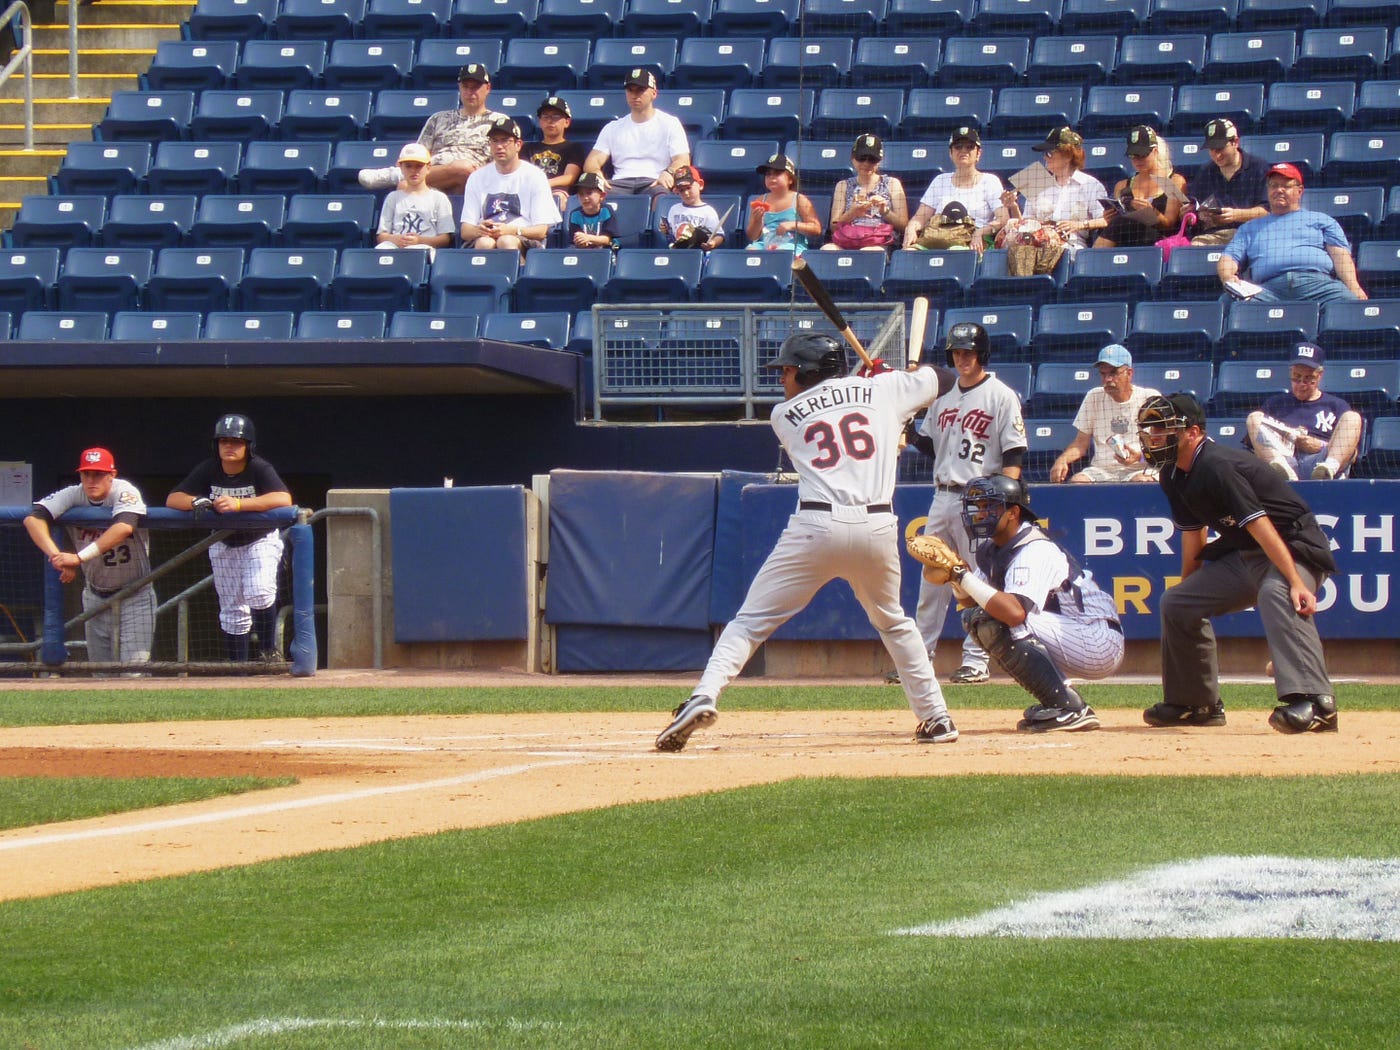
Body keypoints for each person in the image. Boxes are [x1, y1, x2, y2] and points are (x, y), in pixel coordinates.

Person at [655, 333, 960, 752]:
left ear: (809, 371)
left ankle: (703, 696)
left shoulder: (784, 414)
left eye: (788, 370)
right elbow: (944, 377)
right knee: (894, 622)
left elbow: (845, 409)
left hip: (816, 526)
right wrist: (894, 379)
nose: (783, 379)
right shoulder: (882, 390)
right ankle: (936, 717)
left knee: (748, 622)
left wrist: (887, 387)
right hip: (877, 528)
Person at [1136, 393, 1339, 734]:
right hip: (1246, 554)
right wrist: (1189, 585)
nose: (1154, 437)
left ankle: (1317, 703)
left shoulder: (1217, 465)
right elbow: (1193, 536)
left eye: (1164, 429)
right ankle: (1196, 704)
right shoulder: (1171, 474)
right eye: (1150, 430)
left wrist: (1297, 581)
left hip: (1293, 545)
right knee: (1177, 602)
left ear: (1193, 432)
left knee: (1278, 592)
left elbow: (1262, 526)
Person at [905, 322, 1028, 685]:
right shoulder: (942, 396)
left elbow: (1014, 452)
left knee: (976, 581)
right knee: (932, 582)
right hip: (941, 496)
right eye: (957, 352)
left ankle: (976, 660)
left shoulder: (1000, 395)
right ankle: (920, 662)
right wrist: (909, 427)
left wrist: (1006, 502)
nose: (962, 358)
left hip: (980, 499)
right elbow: (930, 445)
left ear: (982, 355)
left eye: (968, 352)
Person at [952, 474, 1122, 732]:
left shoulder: (1032, 547)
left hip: (1096, 638)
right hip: (1070, 632)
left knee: (997, 618)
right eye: (980, 507)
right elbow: (969, 600)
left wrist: (962, 576)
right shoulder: (994, 547)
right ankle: (1058, 703)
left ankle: (1070, 708)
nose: (981, 514)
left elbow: (1014, 613)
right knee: (976, 616)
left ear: (1013, 513)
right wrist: (953, 577)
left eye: (991, 507)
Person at [166, 415, 293, 663]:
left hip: (260, 539)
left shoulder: (259, 468)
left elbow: (283, 499)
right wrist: (196, 501)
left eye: (236, 441)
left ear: (248, 445)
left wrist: (239, 503)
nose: (229, 446)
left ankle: (268, 650)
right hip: (224, 543)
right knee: (233, 612)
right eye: (224, 441)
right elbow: (173, 499)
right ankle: (238, 670)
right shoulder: (209, 468)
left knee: (259, 591)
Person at [24, 447, 156, 667]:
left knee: (134, 671)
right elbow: (32, 519)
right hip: (95, 596)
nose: (91, 480)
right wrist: (58, 557)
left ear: (112, 475)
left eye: (99, 474)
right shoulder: (73, 493)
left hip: (136, 594)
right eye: (87, 474)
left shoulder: (124, 491)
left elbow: (123, 527)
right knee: (100, 672)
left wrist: (78, 558)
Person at [1217, 162, 1367, 305]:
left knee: (1348, 302)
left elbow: (1340, 256)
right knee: (1228, 301)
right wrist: (1228, 277)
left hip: (1317, 285)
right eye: (1274, 186)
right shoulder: (1249, 227)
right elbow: (1228, 257)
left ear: (1299, 191)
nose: (1279, 190)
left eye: (1285, 186)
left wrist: (1354, 287)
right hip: (1268, 290)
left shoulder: (1321, 220)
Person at [358, 63, 504, 195]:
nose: (470, 92)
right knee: (403, 188)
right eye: (466, 86)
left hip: (473, 178)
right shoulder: (439, 118)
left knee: (463, 169)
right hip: (433, 174)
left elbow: (503, 162)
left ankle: (396, 176)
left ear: (488, 88)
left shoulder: (499, 121)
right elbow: (419, 153)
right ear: (459, 87)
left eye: (476, 87)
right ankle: (406, 176)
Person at [1244, 341, 1363, 481]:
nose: (1301, 385)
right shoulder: (1275, 404)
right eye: (1296, 377)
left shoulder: (1336, 405)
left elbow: (1352, 453)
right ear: (1290, 372)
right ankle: (1282, 472)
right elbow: (1256, 446)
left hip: (1320, 461)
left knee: (1353, 417)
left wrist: (1319, 445)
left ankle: (1327, 471)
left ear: (1319, 375)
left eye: (1308, 379)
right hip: (1284, 459)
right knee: (1254, 417)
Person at [1050, 344, 1161, 484]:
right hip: (1102, 470)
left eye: (1113, 373)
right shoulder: (1093, 396)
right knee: (1078, 481)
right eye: (1103, 374)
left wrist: (1140, 457)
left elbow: (1164, 446)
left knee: (1142, 481)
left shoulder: (1149, 397)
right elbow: (1080, 444)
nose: (1108, 379)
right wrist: (1062, 459)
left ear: (1129, 373)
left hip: (1139, 468)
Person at [999, 125, 1108, 259]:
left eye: (1049, 153)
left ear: (1068, 155)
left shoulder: (1090, 185)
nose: (1045, 157)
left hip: (1070, 246)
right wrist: (1013, 206)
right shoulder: (1036, 181)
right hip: (1034, 245)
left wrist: (1080, 225)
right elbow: (1026, 224)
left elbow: (1106, 220)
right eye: (1044, 153)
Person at [459, 115, 562, 253]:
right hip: (485, 239)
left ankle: (518, 272)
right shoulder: (476, 177)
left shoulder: (535, 176)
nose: (499, 146)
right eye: (494, 141)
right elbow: (465, 231)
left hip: (523, 238)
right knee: (485, 243)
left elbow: (541, 231)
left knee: (506, 241)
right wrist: (479, 230)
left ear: (518, 145)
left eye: (505, 141)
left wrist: (512, 230)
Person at [583, 68, 690, 197]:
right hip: (619, 182)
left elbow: (683, 159)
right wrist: (596, 172)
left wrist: (669, 172)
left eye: (641, 90)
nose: (635, 95)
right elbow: (592, 161)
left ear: (654, 93)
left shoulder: (670, 123)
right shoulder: (612, 127)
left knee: (661, 195)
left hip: (654, 180)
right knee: (596, 195)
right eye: (630, 90)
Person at [904, 125, 1008, 252]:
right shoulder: (940, 180)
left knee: (956, 252)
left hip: (971, 240)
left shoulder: (990, 181)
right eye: (958, 147)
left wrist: (980, 232)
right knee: (908, 253)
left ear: (978, 153)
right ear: (951, 153)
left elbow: (1003, 219)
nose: (963, 150)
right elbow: (920, 218)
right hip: (938, 237)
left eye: (969, 147)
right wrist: (910, 229)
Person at [1092, 125, 1189, 250]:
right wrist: (1109, 218)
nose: (1137, 160)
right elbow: (1116, 225)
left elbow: (1170, 225)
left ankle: (1093, 258)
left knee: (1121, 223)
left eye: (1142, 155)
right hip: (1126, 239)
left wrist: (1152, 212)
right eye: (1133, 156)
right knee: (1119, 223)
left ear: (1155, 151)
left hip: (1159, 242)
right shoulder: (1122, 185)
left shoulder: (1173, 181)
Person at [1187, 118, 1270, 247]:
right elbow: (1196, 208)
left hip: (1251, 234)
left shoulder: (1258, 168)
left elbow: (1268, 210)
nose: (1217, 155)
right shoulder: (1205, 172)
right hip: (1213, 236)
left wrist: (1236, 215)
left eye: (1220, 148)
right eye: (1212, 149)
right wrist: (1189, 213)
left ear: (1235, 142)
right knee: (1194, 248)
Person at [823, 134, 907, 252]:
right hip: (849, 239)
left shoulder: (892, 183)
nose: (866, 163)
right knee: (827, 249)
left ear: (880, 161)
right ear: (853, 158)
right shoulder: (843, 185)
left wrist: (885, 211)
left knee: (869, 252)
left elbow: (904, 226)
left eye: (872, 159)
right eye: (861, 158)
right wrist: (852, 213)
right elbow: (834, 227)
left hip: (880, 241)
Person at [373, 142, 456, 260]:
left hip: (424, 247)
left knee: (416, 253)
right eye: (408, 166)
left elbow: (445, 238)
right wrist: (396, 239)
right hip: (396, 246)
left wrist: (419, 240)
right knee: (381, 250)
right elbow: (382, 235)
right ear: (400, 168)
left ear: (428, 168)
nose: (413, 170)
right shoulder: (393, 197)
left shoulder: (439, 198)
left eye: (418, 166)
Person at [745, 153, 822, 255]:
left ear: (790, 179)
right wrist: (757, 221)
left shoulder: (799, 199)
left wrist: (792, 225)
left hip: (792, 245)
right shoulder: (761, 200)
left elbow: (816, 229)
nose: (772, 177)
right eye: (768, 174)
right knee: (750, 252)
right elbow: (753, 236)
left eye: (777, 173)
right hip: (765, 244)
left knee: (779, 253)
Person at [523, 94, 586, 214]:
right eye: (545, 117)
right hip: (530, 192)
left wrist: (543, 184)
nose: (550, 121)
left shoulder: (574, 147)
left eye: (556, 117)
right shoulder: (527, 148)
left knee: (557, 197)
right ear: (539, 121)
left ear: (567, 122)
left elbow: (570, 177)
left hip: (557, 192)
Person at [659, 165, 725, 250]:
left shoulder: (708, 211)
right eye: (681, 190)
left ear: (700, 185)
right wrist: (665, 229)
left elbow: (719, 235)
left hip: (698, 252)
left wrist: (713, 243)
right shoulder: (674, 209)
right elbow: (671, 234)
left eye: (689, 188)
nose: (686, 193)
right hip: (677, 252)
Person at [566, 171, 620, 249]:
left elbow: (607, 239)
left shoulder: (606, 211)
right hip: (585, 252)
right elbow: (575, 239)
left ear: (602, 195)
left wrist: (589, 238)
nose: (585, 198)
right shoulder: (575, 214)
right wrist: (580, 242)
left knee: (615, 246)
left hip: (605, 250)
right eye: (581, 194)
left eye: (589, 193)